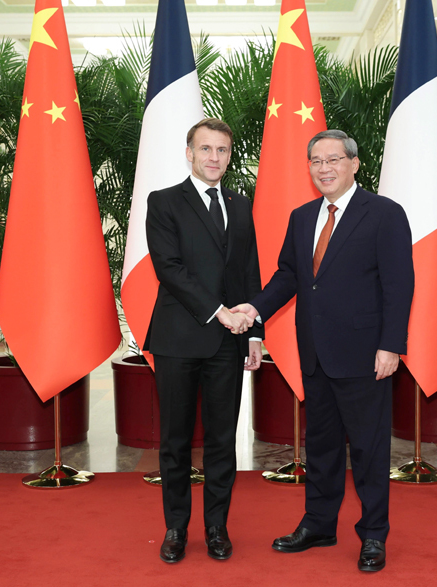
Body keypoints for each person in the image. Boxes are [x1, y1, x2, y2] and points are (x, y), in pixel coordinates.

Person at [232, 129, 413, 572]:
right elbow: (289, 277)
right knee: (321, 446)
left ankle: (374, 534)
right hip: (314, 352)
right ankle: (318, 524)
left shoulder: (384, 213)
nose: (324, 168)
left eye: (333, 159)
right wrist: (255, 307)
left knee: (368, 450)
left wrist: (391, 345)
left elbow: (399, 285)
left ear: (354, 163)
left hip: (366, 355)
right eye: (316, 161)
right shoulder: (302, 217)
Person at [143, 118, 263, 564]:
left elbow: (248, 269)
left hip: (230, 343)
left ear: (229, 156)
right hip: (178, 339)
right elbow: (169, 269)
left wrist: (254, 331)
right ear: (189, 153)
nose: (215, 157)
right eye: (206, 149)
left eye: (222, 150)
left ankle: (216, 527)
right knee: (175, 441)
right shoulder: (164, 202)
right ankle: (176, 527)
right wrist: (220, 312)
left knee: (221, 441)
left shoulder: (240, 204)